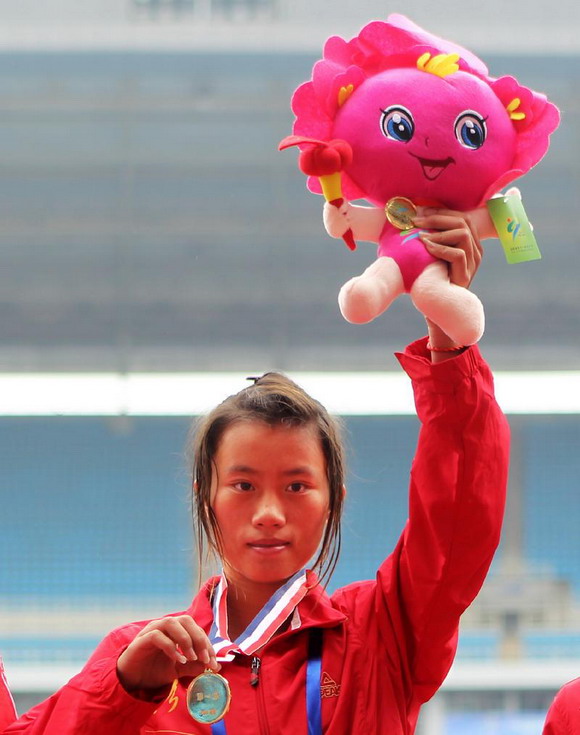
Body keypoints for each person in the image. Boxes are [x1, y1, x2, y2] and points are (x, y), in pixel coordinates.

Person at [2, 209, 510, 735]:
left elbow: (459, 522)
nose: (269, 513)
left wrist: (448, 338)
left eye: (297, 486)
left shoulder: (383, 633)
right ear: (206, 497)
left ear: (333, 499)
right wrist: (125, 692)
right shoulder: (141, 659)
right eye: (243, 485)